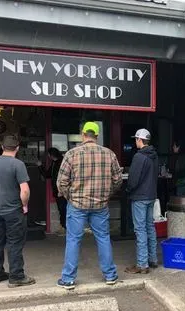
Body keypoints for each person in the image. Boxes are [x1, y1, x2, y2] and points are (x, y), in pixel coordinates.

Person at [56, 121, 123, 290]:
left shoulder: (72, 154)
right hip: (100, 205)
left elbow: (61, 182)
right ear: (97, 136)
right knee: (103, 238)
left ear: (83, 135)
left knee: (73, 239)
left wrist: (70, 197)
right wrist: (106, 195)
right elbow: (118, 180)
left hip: (77, 205)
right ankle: (110, 276)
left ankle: (68, 279)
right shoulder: (109, 154)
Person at [0, 135, 36, 287]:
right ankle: (16, 276)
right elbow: (25, 190)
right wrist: (24, 204)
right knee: (14, 243)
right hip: (13, 210)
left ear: (2, 147)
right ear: (18, 148)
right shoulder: (18, 164)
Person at [125, 128, 159, 274]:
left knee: (140, 230)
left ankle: (142, 264)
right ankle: (153, 260)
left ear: (139, 140)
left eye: (136, 139)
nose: (135, 142)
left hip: (139, 197)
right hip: (151, 195)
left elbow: (133, 179)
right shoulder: (154, 156)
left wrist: (128, 190)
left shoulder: (139, 157)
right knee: (150, 227)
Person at [37, 147, 67, 235]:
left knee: (63, 209)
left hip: (62, 192)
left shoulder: (61, 163)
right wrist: (40, 166)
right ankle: (63, 227)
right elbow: (48, 175)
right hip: (58, 191)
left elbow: (61, 178)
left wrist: (61, 190)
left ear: (51, 155)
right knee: (61, 210)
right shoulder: (55, 163)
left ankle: (64, 228)